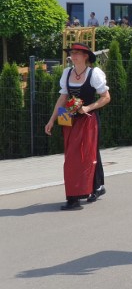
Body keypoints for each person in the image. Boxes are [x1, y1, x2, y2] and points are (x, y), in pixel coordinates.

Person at [44, 43, 111, 210]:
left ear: (85, 56)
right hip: (67, 115)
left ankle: (79, 194)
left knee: (87, 154)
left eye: (77, 53)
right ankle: (89, 188)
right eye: (72, 53)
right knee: (72, 155)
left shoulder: (94, 73)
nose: (73, 56)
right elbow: (62, 99)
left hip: (87, 117)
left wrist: (88, 107)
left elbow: (106, 97)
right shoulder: (67, 73)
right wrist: (52, 120)